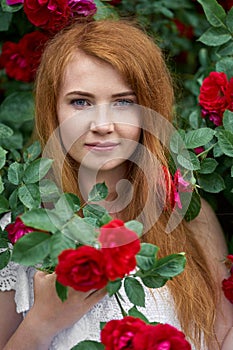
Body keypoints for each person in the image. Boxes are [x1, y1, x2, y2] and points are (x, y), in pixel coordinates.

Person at [0, 19, 233, 350]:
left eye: (123, 101)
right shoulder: (17, 236)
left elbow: (224, 336)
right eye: (80, 102)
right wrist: (44, 321)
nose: (102, 125)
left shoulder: (187, 215)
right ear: (53, 109)